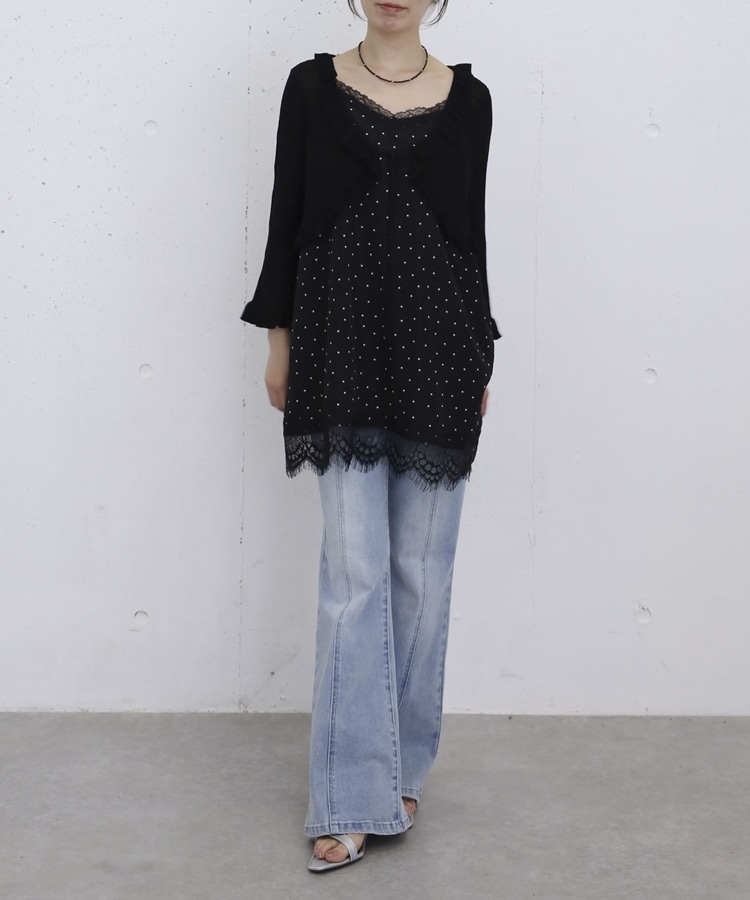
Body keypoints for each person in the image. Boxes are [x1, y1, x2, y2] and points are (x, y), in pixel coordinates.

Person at [241, 0, 499, 873]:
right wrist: (279, 339)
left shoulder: (473, 101)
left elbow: (471, 236)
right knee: (355, 575)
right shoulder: (310, 89)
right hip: (339, 348)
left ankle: (402, 768)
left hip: (440, 351)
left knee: (422, 571)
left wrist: (482, 354)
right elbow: (287, 218)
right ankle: (350, 795)